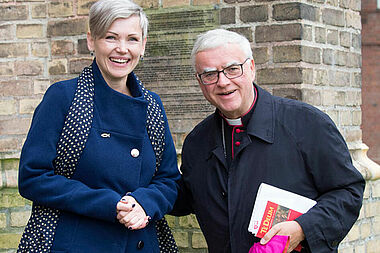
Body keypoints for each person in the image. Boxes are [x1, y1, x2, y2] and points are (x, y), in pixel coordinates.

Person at [172, 29, 365, 253]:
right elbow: (187, 199)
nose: (223, 82)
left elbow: (348, 192)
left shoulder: (306, 123)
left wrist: (302, 229)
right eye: (209, 74)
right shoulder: (197, 142)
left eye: (233, 69)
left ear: (252, 68)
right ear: (199, 81)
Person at [17, 0, 180, 252]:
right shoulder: (64, 97)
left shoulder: (153, 105)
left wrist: (145, 203)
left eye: (132, 39)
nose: (122, 49)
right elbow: (33, 177)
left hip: (140, 242)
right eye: (111, 37)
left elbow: (169, 180)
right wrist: (110, 204)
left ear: (143, 45)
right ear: (92, 41)